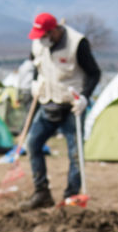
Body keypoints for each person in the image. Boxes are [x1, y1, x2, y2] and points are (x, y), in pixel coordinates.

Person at [24, 12, 101, 209]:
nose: (41, 40)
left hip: (71, 107)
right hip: (47, 103)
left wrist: (85, 96)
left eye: (44, 35)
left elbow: (94, 73)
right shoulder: (38, 44)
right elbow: (37, 66)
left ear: (54, 31)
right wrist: (34, 82)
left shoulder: (77, 44)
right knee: (32, 144)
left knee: (75, 154)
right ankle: (41, 192)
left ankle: (71, 197)